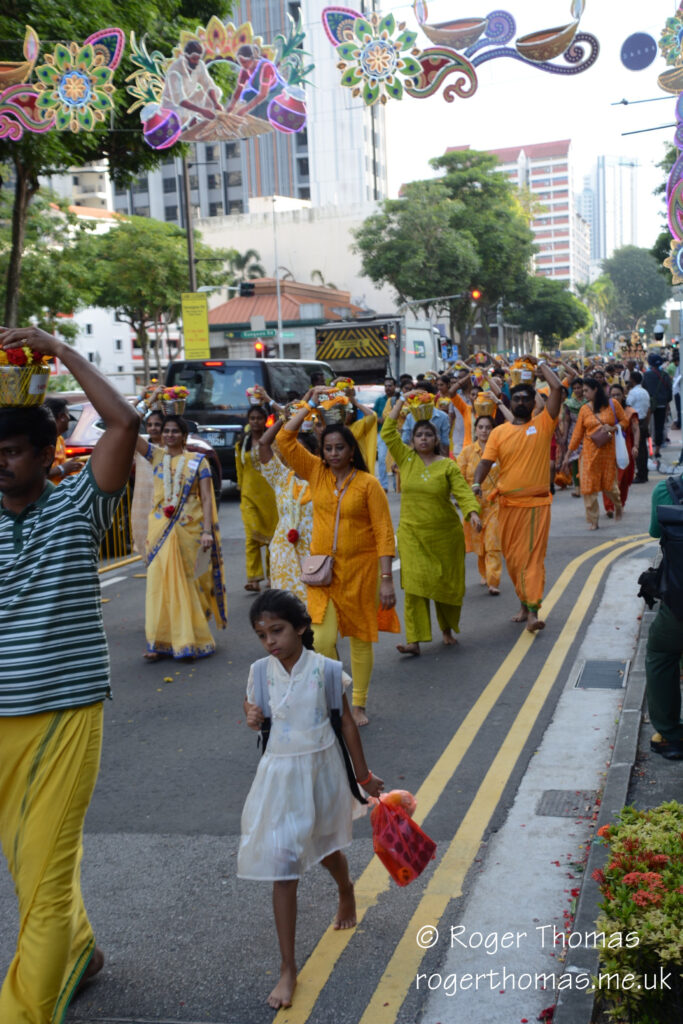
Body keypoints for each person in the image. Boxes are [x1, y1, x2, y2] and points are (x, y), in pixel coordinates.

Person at [0, 324, 139, 1020]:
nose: (0, 463)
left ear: (49, 453)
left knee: (46, 878)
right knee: (30, 866)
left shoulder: (79, 505)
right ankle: (80, 948)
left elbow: (124, 421)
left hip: (63, 714)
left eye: (13, 451)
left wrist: (59, 350)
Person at [238, 589, 383, 1008]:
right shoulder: (260, 672)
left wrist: (364, 777)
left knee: (324, 848)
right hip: (279, 779)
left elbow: (348, 727)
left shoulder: (328, 671)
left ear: (302, 626)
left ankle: (345, 887)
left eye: (277, 630)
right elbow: (253, 714)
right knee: (284, 866)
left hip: (320, 774)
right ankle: (288, 968)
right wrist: (251, 717)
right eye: (262, 634)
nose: (270, 641)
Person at [278, 387, 396, 726]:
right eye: (327, 448)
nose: (332, 454)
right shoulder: (316, 472)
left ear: (351, 450)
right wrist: (310, 404)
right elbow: (285, 441)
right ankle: (338, 699)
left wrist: (386, 580)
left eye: (339, 448)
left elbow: (384, 533)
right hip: (323, 572)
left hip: (361, 570)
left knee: (360, 638)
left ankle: (358, 704)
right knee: (323, 639)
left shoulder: (368, 484)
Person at [382, 399, 481, 655]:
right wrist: (401, 401)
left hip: (445, 536)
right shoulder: (405, 459)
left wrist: (472, 513)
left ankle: (447, 629)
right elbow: (387, 432)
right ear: (412, 440)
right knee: (414, 587)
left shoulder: (448, 465)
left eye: (428, 434)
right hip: (412, 535)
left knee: (445, 585)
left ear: (436, 439)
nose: (423, 438)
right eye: (419, 435)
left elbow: (463, 492)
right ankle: (414, 640)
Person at [473, 359, 563, 633]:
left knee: (531, 559)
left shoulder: (543, 424)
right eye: (517, 399)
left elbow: (557, 388)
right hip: (507, 505)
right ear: (510, 403)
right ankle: (524, 603)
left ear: (533, 402)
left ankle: (534, 610)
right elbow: (485, 462)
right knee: (512, 559)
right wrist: (476, 484)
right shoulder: (499, 432)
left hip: (536, 504)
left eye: (527, 398)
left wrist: (541, 365)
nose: (521, 402)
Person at [136, 414, 227, 660]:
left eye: (175, 431)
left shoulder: (198, 462)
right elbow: (129, 432)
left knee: (188, 584)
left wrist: (208, 531)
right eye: (166, 430)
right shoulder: (155, 456)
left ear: (184, 436)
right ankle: (158, 641)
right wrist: (144, 405)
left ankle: (189, 640)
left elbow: (207, 498)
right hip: (159, 530)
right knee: (158, 583)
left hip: (191, 529)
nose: (169, 435)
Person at [644, 471, 683, 759]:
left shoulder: (666, 489)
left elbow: (656, 531)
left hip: (677, 604)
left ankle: (669, 734)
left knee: (661, 651)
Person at [258, 414, 316, 603]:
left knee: (314, 611)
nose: (295, 456)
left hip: (314, 553)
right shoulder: (281, 477)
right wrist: (285, 417)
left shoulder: (324, 479)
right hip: (283, 553)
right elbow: (264, 444)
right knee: (285, 609)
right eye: (292, 451)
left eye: (301, 451)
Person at [567, 377, 631, 530]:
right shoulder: (584, 409)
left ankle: (618, 506)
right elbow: (577, 434)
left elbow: (625, 421)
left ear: (595, 390)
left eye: (586, 391)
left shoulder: (612, 404)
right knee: (589, 488)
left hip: (607, 453)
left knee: (610, 486)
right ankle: (593, 520)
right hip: (589, 453)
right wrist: (567, 455)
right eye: (583, 391)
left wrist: (613, 428)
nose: (584, 394)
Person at [457, 415, 502, 595]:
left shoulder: (499, 451)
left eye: (488, 427)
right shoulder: (467, 452)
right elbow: (458, 479)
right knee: (480, 544)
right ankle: (484, 573)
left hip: (496, 504)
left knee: (492, 542)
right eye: (481, 427)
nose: (484, 431)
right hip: (474, 504)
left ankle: (493, 580)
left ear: (493, 430)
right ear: (475, 430)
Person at [235, 404, 278, 592]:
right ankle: (253, 579)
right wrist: (241, 488)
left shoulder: (273, 442)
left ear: (265, 420)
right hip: (249, 495)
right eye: (252, 418)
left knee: (272, 538)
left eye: (259, 418)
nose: (255, 422)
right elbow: (240, 469)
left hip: (270, 496)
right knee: (251, 537)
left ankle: (272, 576)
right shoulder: (241, 443)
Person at [603, 382, 640, 516]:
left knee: (623, 479)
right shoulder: (604, 411)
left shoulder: (629, 412)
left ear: (623, 395)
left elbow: (636, 430)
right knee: (608, 477)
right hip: (607, 448)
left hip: (625, 448)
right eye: (612, 395)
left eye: (618, 395)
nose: (615, 397)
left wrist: (636, 446)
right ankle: (609, 507)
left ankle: (620, 503)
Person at [401, 385, 450, 456]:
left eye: (421, 396)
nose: (418, 399)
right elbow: (405, 440)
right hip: (415, 457)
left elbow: (445, 441)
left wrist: (446, 461)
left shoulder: (443, 416)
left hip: (436, 457)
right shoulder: (410, 416)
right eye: (416, 396)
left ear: (431, 397)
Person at [44, 396, 83, 482]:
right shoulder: (40, 440)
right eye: (68, 414)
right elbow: (33, 475)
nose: (69, 418)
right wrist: (62, 469)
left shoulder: (60, 439)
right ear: (62, 417)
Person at [642, 352, 673, 459]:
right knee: (659, 427)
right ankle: (657, 450)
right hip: (662, 405)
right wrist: (667, 403)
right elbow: (669, 391)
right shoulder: (665, 375)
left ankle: (650, 449)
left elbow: (643, 389)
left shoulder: (646, 375)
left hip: (649, 405)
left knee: (649, 428)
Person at [625, 370, 651, 483]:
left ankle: (640, 475)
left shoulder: (632, 393)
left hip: (635, 422)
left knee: (638, 449)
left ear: (633, 380)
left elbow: (627, 406)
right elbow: (649, 409)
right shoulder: (645, 391)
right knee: (643, 449)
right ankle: (644, 473)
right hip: (644, 421)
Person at [373, 376, 397, 491]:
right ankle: (384, 485)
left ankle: (398, 485)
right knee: (382, 458)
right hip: (382, 433)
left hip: (397, 433)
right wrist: (380, 419)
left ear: (395, 387)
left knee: (397, 459)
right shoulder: (379, 400)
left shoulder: (399, 399)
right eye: (386, 386)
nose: (387, 388)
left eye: (390, 385)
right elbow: (374, 416)